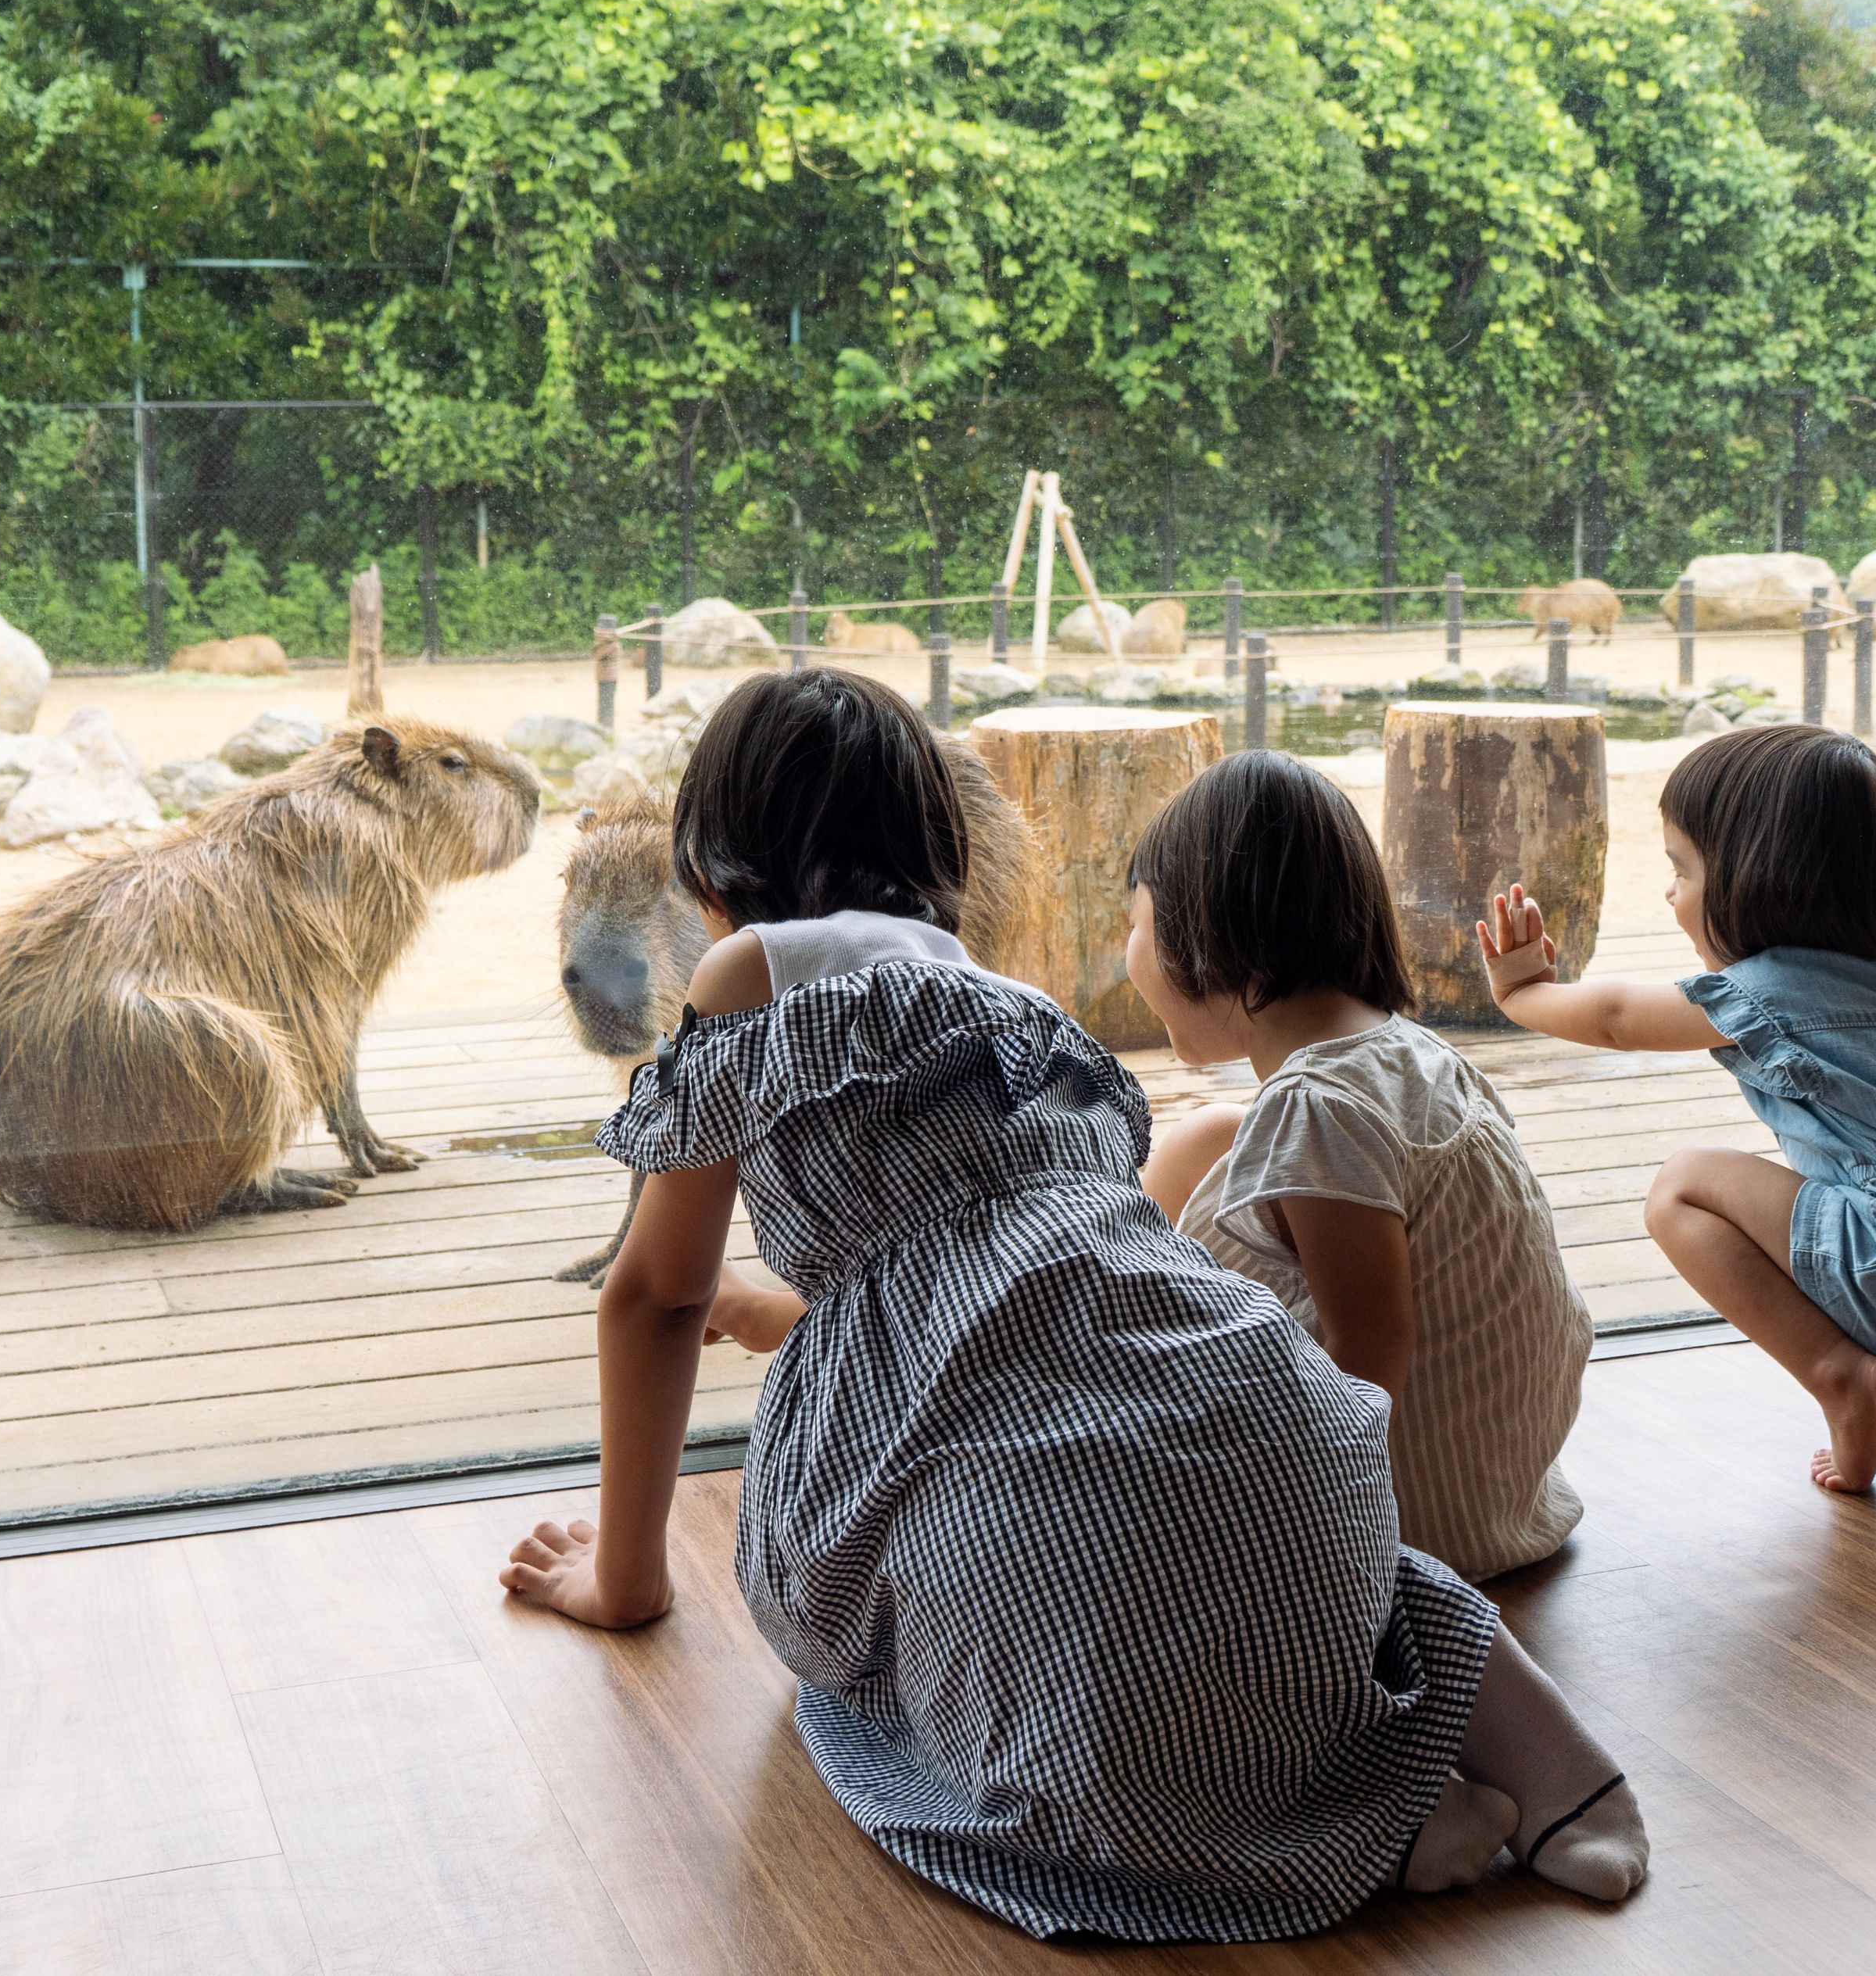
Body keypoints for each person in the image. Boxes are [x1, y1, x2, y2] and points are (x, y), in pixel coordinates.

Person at [498, 668, 1649, 1940]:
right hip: (1241, 1383)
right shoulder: (1016, 1010)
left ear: (711, 875)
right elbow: (1003, 1259)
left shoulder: (747, 972)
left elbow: (656, 1296)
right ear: (944, 856)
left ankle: (1342, 1820)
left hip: (1021, 1453)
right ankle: (1522, 1773)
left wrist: (624, 1577)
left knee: (998, 1597)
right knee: (1309, 1547)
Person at [1479, 722, 1876, 1496]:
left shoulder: (1779, 988)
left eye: (1680, 869)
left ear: (1755, 880)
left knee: (1682, 1187)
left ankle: (1843, 1376)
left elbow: (1615, 1017)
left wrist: (1521, 992)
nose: (1669, 894)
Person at [1126, 753, 1590, 1581]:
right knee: (1210, 1135)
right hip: (1499, 1486)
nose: (1128, 950)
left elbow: (1370, 1344)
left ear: (1207, 930)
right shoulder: (1407, 1054)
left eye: (1136, 922)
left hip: (1412, 1522)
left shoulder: (1317, 1107)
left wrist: (1334, 1553)